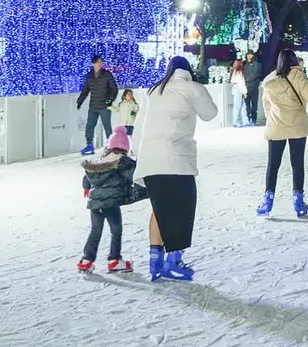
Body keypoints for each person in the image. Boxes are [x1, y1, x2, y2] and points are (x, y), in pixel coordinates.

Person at [133, 56, 218, 282]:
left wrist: (138, 155)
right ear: (188, 70)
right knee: (181, 208)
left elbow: (139, 127)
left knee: (159, 210)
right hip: (177, 160)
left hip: (150, 160)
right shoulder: (191, 88)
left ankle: (154, 262)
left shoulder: (153, 91)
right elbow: (210, 113)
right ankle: (173, 260)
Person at [256, 49, 308, 218]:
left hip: (276, 126)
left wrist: (273, 119)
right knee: (297, 164)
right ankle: (298, 201)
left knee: (273, 165)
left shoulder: (269, 80)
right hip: (297, 126)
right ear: (294, 60)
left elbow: (267, 106)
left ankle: (267, 200)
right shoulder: (299, 77)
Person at [78, 125, 143, 274]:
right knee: (116, 230)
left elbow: (86, 180)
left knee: (95, 231)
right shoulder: (123, 162)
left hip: (94, 203)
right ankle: (114, 260)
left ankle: (86, 261)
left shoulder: (100, 161)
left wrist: (87, 189)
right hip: (110, 203)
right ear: (125, 147)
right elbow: (133, 174)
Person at [76, 55, 119, 155]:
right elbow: (85, 90)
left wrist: (110, 99)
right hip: (93, 106)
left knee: (107, 126)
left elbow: (114, 88)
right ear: (93, 63)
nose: (100, 64)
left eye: (101, 62)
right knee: (90, 126)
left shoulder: (107, 74)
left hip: (104, 105)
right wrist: (80, 101)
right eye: (98, 62)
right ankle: (89, 146)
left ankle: (111, 146)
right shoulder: (89, 76)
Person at [243, 51, 263, 126]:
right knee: (247, 105)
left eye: (251, 54)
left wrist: (247, 79)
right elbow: (242, 73)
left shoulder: (256, 64)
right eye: (248, 54)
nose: (249, 56)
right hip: (245, 87)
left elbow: (256, 73)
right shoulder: (244, 64)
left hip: (253, 86)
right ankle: (248, 119)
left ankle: (254, 120)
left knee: (254, 104)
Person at [229, 60, 248, 128]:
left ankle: (245, 122)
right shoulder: (239, 72)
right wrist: (245, 92)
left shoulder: (234, 71)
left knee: (242, 106)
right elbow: (241, 83)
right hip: (239, 89)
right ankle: (235, 122)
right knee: (237, 106)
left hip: (236, 89)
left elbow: (232, 81)